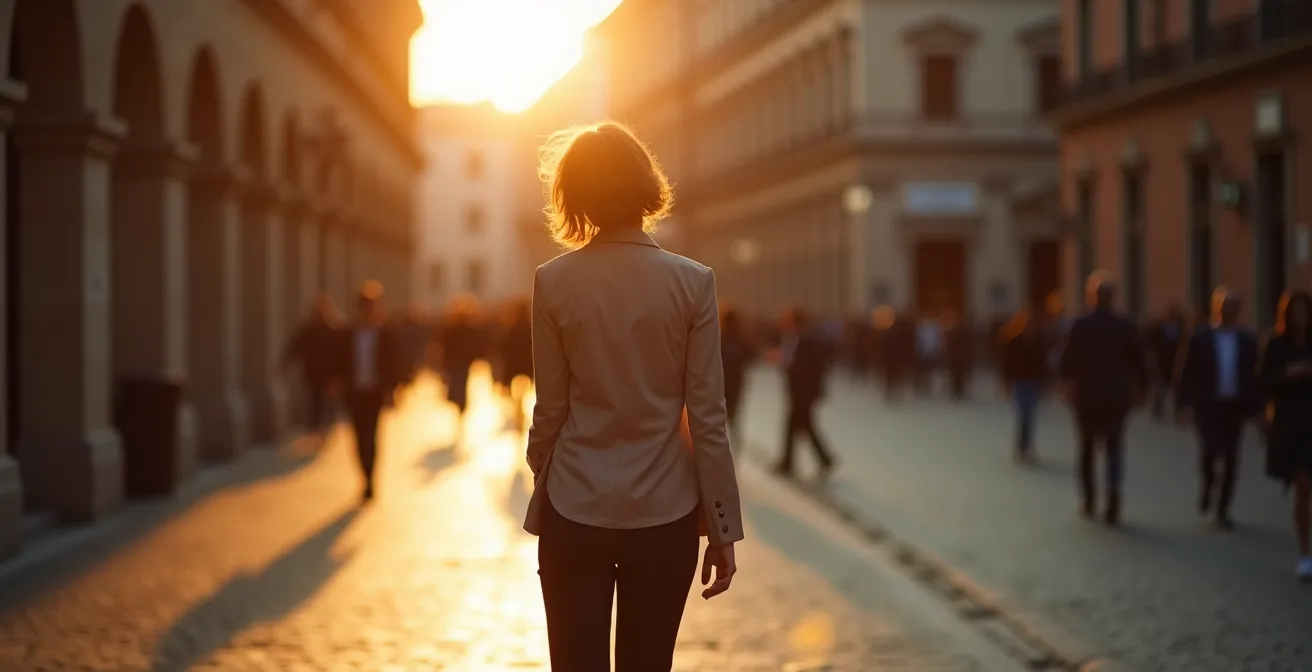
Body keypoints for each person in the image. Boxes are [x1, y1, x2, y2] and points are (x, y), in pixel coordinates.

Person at [521, 120, 742, 671]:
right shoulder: (693, 282)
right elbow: (707, 417)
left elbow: (551, 408)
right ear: (646, 186)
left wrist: (541, 465)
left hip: (575, 504)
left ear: (575, 194)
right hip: (665, 511)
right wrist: (722, 525)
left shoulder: (554, 281)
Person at [1058, 272, 1147, 525]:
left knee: (1086, 447)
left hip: (1086, 395)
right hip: (1116, 395)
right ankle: (1113, 494)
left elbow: (1067, 358)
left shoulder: (1080, 324)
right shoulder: (1125, 325)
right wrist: (1142, 390)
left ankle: (1089, 498)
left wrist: (1066, 383)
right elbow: (1138, 361)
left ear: (1091, 297)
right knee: (1114, 447)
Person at [1175, 288, 1261, 529]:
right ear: (1216, 309)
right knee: (1210, 450)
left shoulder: (1247, 341)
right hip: (1208, 406)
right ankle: (1208, 483)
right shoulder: (1200, 338)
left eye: (1232, 308)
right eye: (1224, 307)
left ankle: (1223, 508)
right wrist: (1184, 404)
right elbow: (1185, 373)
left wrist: (1257, 408)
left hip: (1234, 406)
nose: (1228, 312)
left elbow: (1254, 377)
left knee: (1232, 456)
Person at [1258, 290, 1312, 581]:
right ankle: (1305, 553)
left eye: (1305, 310)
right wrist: (1288, 374)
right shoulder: (1277, 344)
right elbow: (1262, 381)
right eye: (1295, 312)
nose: (1301, 317)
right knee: (1302, 487)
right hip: (1294, 424)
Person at [334, 281, 404, 503]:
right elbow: (338, 360)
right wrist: (337, 382)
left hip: (375, 392)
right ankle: (364, 473)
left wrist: (393, 389)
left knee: (371, 434)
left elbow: (394, 363)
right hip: (355, 392)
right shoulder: (348, 334)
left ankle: (370, 479)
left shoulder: (385, 334)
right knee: (358, 435)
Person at [774, 306, 837, 478]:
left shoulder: (807, 339)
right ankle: (824, 459)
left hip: (803, 391)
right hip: (799, 390)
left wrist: (788, 364)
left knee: (795, 425)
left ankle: (788, 463)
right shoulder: (798, 338)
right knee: (804, 425)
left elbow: (810, 366)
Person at [281, 292, 344, 438]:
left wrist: (339, 374)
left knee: (326, 401)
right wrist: (285, 362)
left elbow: (341, 354)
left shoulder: (334, 330)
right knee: (315, 400)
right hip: (312, 373)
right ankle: (317, 428)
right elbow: (296, 347)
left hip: (328, 374)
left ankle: (324, 427)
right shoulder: (309, 330)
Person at [1000, 309, 1050, 463]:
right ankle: (1022, 448)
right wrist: (1006, 382)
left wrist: (1046, 382)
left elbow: (1043, 364)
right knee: (1024, 414)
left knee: (1030, 415)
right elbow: (1007, 363)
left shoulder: (1039, 341)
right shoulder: (1014, 341)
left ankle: (1026, 448)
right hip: (1020, 381)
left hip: (1034, 382)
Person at [433, 294, 485, 419]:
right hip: (459, 362)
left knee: (457, 384)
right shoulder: (462, 329)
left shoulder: (452, 329)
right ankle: (460, 405)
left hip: (457, 362)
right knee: (460, 384)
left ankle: (459, 405)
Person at [720, 305, 755, 447]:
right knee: (733, 414)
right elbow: (750, 357)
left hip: (721, 382)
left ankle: (722, 441)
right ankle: (734, 441)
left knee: (719, 413)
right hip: (737, 381)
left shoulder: (720, 338)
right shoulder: (742, 339)